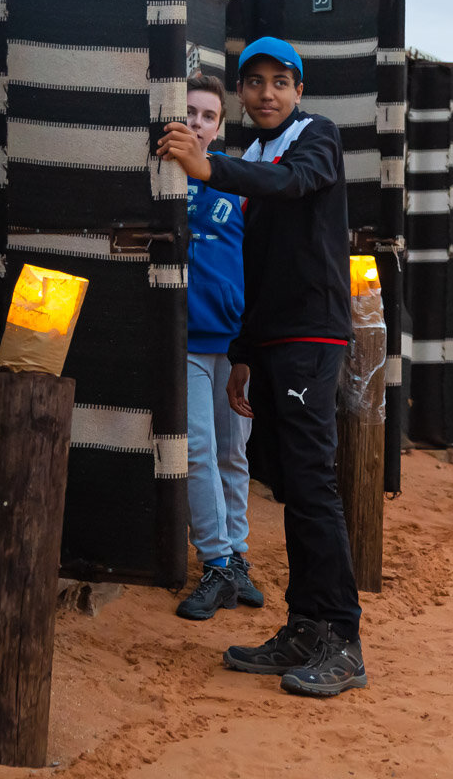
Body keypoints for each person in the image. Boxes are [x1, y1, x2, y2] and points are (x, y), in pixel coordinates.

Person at [156, 36, 366, 697]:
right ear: (242, 93)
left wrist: (211, 170)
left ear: (299, 91)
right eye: (257, 82)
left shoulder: (316, 138)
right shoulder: (252, 154)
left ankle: (342, 638)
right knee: (292, 489)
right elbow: (256, 263)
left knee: (311, 482)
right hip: (270, 342)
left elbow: (295, 183)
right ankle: (304, 628)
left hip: (311, 338)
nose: (269, 93)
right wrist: (243, 353)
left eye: (282, 81)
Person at [174, 73, 265, 620]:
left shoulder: (238, 180)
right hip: (185, 338)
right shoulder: (161, 175)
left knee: (234, 453)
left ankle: (236, 555)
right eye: (190, 112)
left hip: (233, 345)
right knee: (198, 451)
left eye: (208, 115)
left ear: (220, 126)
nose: (197, 123)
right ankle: (215, 563)